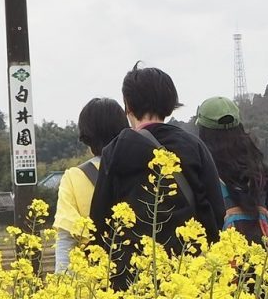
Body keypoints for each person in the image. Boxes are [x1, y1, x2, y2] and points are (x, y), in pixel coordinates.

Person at [89, 64, 226, 287]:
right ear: (170, 104)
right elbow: (216, 213)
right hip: (186, 276)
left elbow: (99, 221)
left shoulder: (114, 152)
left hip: (130, 278)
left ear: (128, 105)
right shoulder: (193, 147)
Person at [52, 98, 129, 273]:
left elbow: (66, 239)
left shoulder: (73, 177)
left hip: (92, 282)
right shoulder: (142, 168)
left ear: (86, 135)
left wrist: (61, 288)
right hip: (137, 277)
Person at [194, 96, 268, 243]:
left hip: (222, 260)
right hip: (265, 258)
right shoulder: (259, 170)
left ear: (203, 131)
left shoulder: (203, 172)